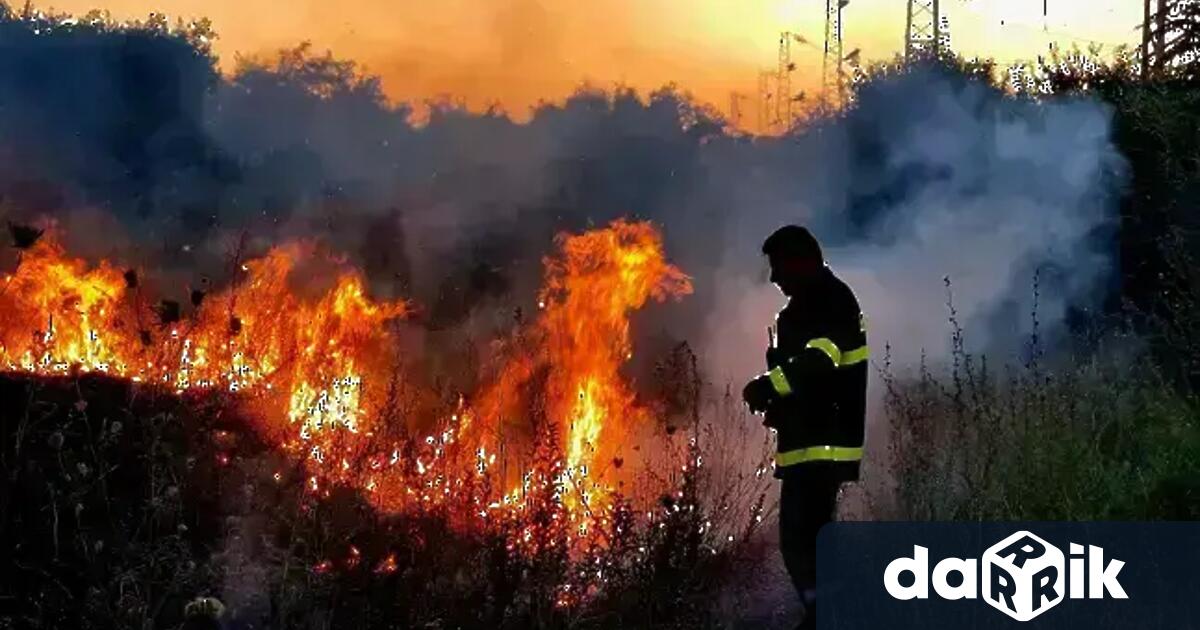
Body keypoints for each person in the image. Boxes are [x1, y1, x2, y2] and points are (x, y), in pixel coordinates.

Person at [741, 225, 868, 630]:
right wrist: (781, 402)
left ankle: (823, 616)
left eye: (778, 267)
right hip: (810, 442)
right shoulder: (808, 305)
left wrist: (768, 385)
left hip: (823, 445)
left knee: (800, 540)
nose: (775, 278)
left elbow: (822, 359)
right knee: (806, 540)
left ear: (800, 262)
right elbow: (806, 373)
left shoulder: (830, 299)